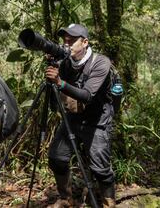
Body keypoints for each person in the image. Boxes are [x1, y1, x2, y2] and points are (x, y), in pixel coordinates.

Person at [45, 24, 116, 208]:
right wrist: (54, 68)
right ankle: (66, 198)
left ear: (85, 42)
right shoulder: (66, 63)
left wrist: (60, 82)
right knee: (56, 157)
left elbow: (87, 95)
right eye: (65, 40)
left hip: (98, 119)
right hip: (74, 117)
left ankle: (107, 202)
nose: (66, 43)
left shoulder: (101, 63)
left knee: (100, 168)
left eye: (72, 40)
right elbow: (56, 98)